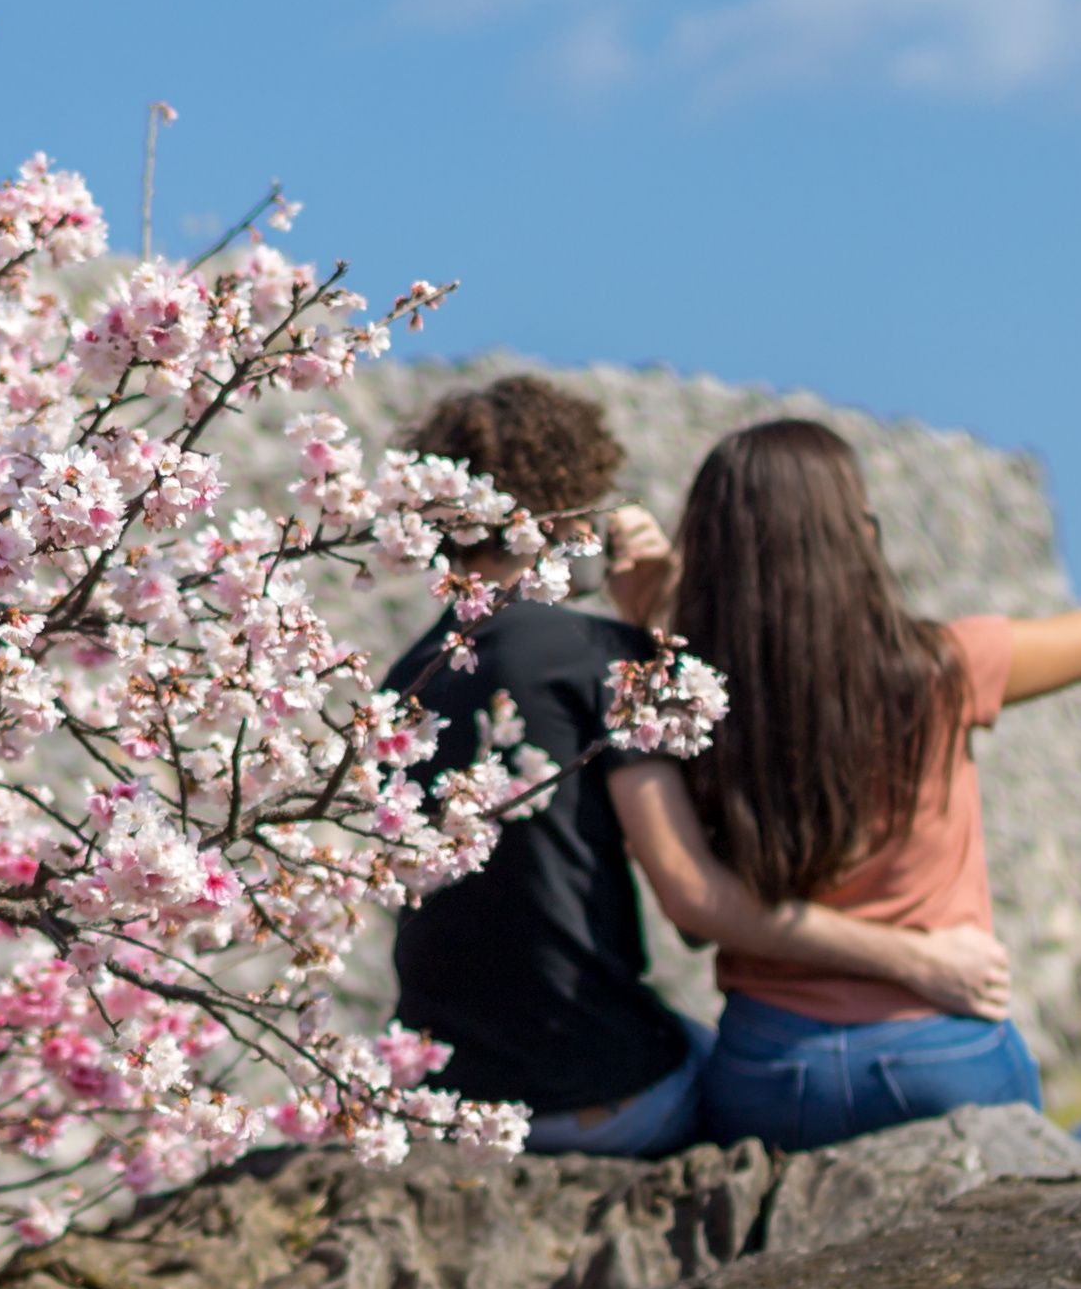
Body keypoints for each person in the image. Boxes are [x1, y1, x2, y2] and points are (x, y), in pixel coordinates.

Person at [613, 418, 1081, 1151]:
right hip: (941, 1053)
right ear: (852, 535)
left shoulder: (673, 696)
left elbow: (694, 899)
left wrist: (649, 620)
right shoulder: (942, 670)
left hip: (771, 1071)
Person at [381, 379, 998, 1155]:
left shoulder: (397, 685)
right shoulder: (601, 660)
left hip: (449, 1094)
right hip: (601, 1089)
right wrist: (922, 960)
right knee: (754, 1075)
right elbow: (697, 901)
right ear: (575, 508)